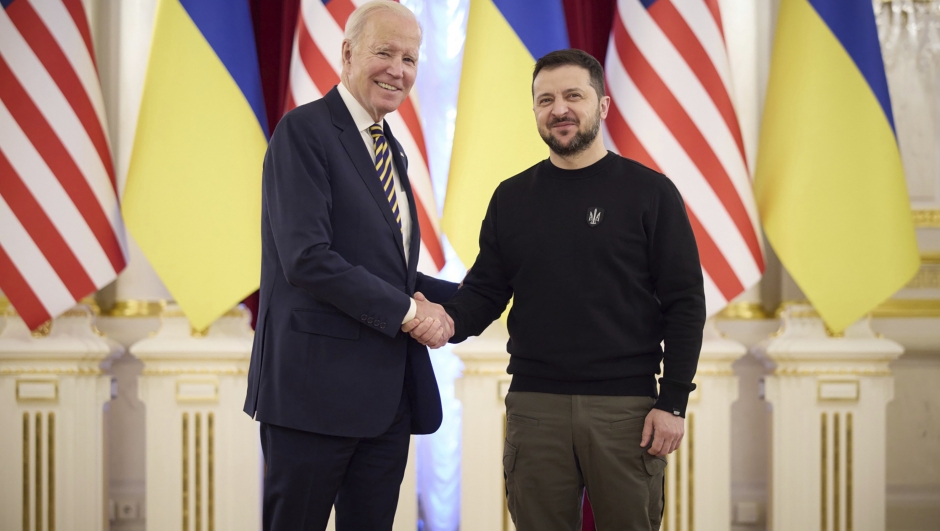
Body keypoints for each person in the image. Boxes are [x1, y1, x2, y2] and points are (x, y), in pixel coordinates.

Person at [414, 49, 706, 530]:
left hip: (627, 410)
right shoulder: (512, 198)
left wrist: (672, 401)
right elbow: (485, 293)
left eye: (574, 95)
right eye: (545, 99)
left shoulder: (650, 193)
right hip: (535, 407)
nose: (559, 109)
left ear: (603, 105)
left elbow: (686, 305)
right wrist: (444, 318)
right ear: (535, 111)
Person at [243, 2, 457, 530]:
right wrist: (411, 314)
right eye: (385, 52)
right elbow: (308, 259)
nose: (398, 69)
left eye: (410, 58)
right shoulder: (304, 132)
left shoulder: (392, 150)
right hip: (312, 400)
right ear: (347, 53)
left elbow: (391, 274)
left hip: (385, 403)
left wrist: (473, 298)